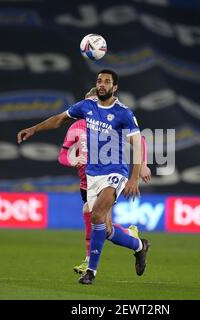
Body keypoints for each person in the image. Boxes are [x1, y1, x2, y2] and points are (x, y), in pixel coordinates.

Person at [17, 69, 150, 284]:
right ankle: (140, 246)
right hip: (92, 175)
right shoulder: (85, 107)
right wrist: (34, 129)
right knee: (106, 230)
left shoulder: (123, 112)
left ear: (115, 87)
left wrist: (135, 175)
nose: (102, 84)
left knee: (95, 215)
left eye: (107, 81)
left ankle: (91, 271)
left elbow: (137, 143)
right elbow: (59, 119)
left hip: (115, 171)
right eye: (99, 81)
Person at [58, 87, 151, 274]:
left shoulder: (112, 123)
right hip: (87, 183)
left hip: (109, 177)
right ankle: (137, 243)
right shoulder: (75, 128)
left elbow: (138, 139)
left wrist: (143, 165)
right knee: (106, 229)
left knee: (93, 215)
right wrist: (72, 160)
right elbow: (62, 156)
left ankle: (89, 263)